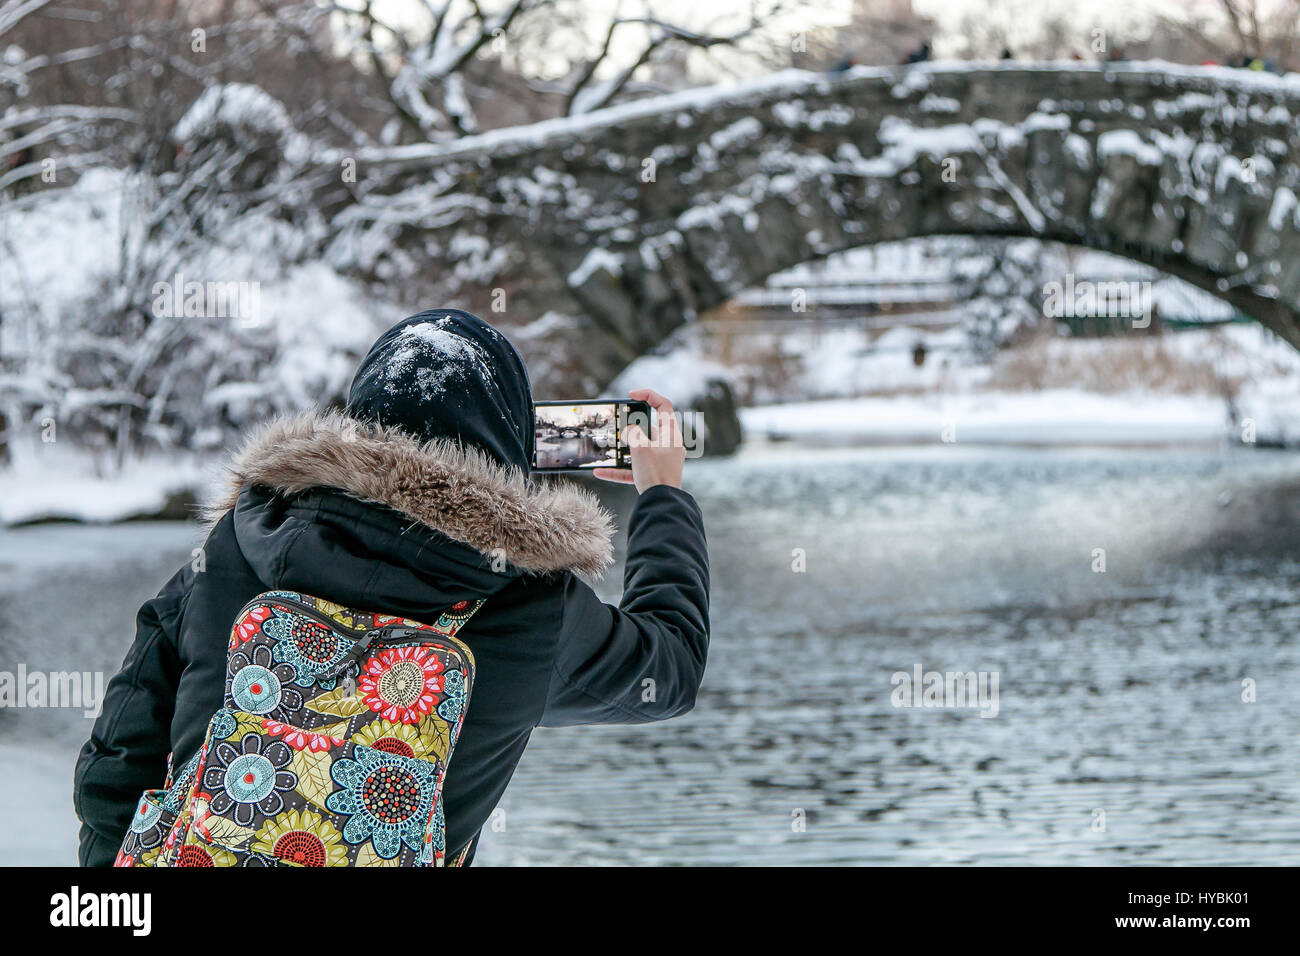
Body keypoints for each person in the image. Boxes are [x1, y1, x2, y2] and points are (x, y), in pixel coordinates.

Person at [73, 308, 710, 866]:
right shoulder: (531, 605)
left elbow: (122, 746)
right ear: (510, 451)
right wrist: (663, 495)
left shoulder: (238, 544)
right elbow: (670, 666)